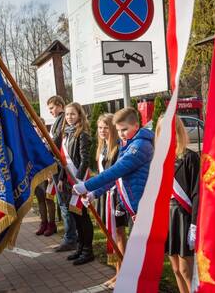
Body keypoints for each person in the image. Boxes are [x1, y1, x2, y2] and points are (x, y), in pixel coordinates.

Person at [73, 107, 154, 268]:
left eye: (124, 129)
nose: (121, 134)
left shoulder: (139, 146)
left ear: (136, 126)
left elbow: (115, 171)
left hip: (141, 206)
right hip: (133, 206)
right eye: (119, 130)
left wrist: (86, 186)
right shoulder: (128, 143)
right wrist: (94, 193)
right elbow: (116, 178)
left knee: (142, 256)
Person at [156, 115, 200, 293]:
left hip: (184, 215)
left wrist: (195, 224)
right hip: (167, 216)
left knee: (185, 269)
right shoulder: (158, 159)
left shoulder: (190, 157)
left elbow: (197, 193)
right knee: (175, 268)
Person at [58, 102, 94, 265]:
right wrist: (60, 178)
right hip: (68, 181)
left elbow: (85, 159)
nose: (69, 117)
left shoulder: (83, 134)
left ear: (80, 115)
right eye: (67, 114)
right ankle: (80, 247)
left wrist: (78, 183)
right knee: (74, 215)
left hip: (79, 181)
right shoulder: (65, 133)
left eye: (72, 114)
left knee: (82, 216)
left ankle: (88, 251)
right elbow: (63, 160)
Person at [95, 113, 127, 289]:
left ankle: (122, 273)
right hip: (105, 195)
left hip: (116, 196)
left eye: (106, 127)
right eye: (100, 127)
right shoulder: (102, 148)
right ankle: (117, 272)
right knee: (112, 235)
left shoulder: (118, 148)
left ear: (112, 128)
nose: (102, 130)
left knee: (120, 236)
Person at [47, 96, 77, 251]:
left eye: (52, 108)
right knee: (63, 204)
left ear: (60, 105)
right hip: (57, 167)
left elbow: (56, 143)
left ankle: (71, 238)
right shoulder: (56, 121)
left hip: (62, 168)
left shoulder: (60, 121)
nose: (51, 111)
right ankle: (71, 236)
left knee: (65, 204)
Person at [33, 117, 57, 237]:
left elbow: (52, 158)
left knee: (49, 199)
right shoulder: (31, 140)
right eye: (35, 126)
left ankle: (52, 225)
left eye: (39, 125)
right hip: (36, 174)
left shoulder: (48, 139)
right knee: (40, 199)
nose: (37, 128)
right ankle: (43, 223)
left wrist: (51, 174)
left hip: (48, 174)